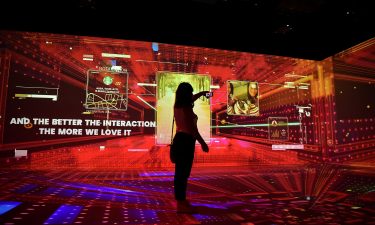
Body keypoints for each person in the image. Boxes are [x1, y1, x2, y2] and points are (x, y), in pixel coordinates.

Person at [172, 82, 209, 213]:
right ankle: (181, 202)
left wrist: (202, 93)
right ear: (186, 94)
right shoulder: (186, 108)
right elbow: (193, 130)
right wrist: (203, 143)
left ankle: (180, 199)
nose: (192, 95)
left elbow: (192, 99)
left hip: (180, 139)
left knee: (180, 172)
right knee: (183, 173)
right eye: (191, 92)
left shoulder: (178, 105)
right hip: (186, 141)